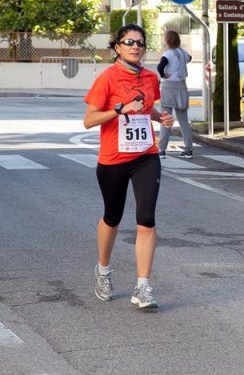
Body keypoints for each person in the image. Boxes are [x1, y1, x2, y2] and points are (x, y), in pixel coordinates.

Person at [83, 23, 174, 309]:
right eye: (129, 42)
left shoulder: (149, 78)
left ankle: (143, 287)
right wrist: (119, 109)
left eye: (140, 42)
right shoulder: (107, 79)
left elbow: (146, 108)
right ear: (117, 47)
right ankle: (103, 270)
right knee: (112, 217)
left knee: (146, 218)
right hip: (113, 159)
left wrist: (160, 118)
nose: (136, 46)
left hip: (145, 156)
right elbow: (89, 120)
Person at [157, 30, 193, 159]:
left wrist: (163, 75)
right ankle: (188, 149)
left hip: (168, 87)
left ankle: (161, 150)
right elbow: (190, 58)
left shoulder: (167, 54)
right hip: (182, 87)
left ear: (166, 41)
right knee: (183, 120)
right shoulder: (183, 53)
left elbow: (160, 67)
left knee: (166, 119)